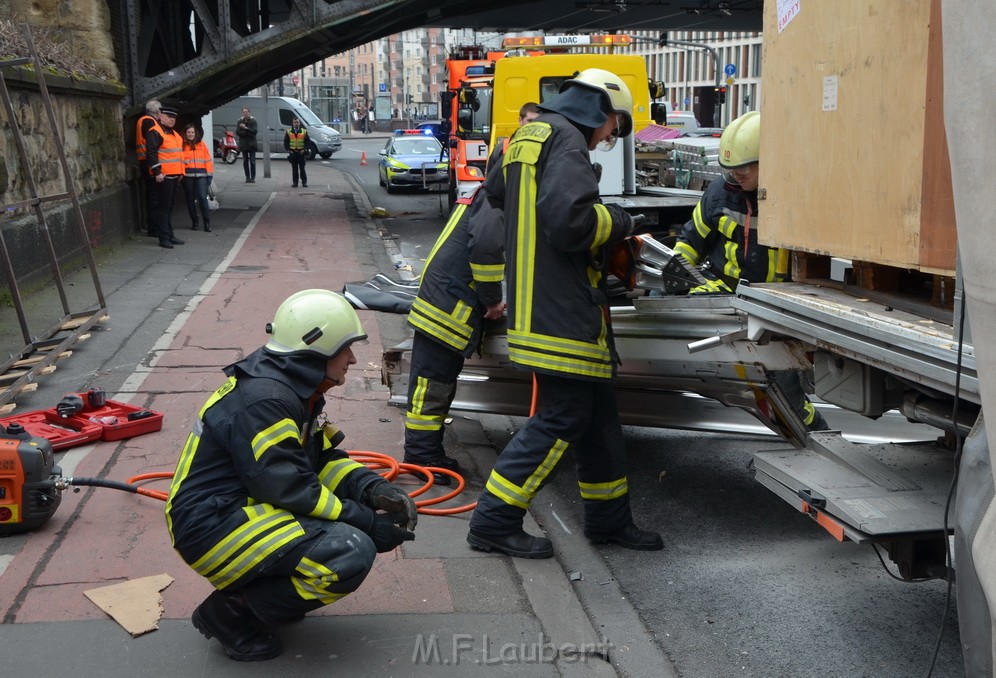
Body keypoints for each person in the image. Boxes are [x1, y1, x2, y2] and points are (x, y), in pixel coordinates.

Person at [466, 70, 662, 559]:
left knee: (598, 421)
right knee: (563, 417)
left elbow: (495, 192)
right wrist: (621, 219)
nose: (610, 137)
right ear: (600, 110)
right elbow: (570, 222)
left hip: (538, 306)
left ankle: (609, 522)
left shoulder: (529, 135)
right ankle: (492, 522)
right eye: (614, 125)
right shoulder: (569, 141)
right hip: (565, 313)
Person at [166, 289, 417, 661]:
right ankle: (229, 614)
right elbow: (290, 486)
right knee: (348, 550)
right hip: (210, 527)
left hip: (235, 512)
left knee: (333, 539)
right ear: (316, 349)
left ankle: (264, 594)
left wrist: (372, 488)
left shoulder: (292, 389)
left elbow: (318, 462)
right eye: (345, 349)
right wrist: (367, 521)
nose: (352, 358)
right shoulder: (268, 400)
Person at [401, 102, 542, 486]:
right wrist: (494, 299)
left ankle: (425, 452)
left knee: (436, 383)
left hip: (443, 300)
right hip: (447, 306)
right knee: (432, 385)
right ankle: (420, 457)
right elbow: (485, 252)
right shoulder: (498, 199)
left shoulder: (489, 192)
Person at [671, 110, 828, 431]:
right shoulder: (720, 193)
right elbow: (691, 239)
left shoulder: (794, 197)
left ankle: (814, 433)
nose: (736, 176)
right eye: (730, 169)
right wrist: (675, 274)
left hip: (775, 310)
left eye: (744, 168)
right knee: (748, 382)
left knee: (784, 390)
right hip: (724, 299)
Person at [144, 106, 186, 249]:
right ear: (160, 116)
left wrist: (181, 173)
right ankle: (163, 238)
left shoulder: (174, 134)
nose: (172, 119)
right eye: (169, 117)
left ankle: (169, 235)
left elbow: (178, 155)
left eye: (174, 117)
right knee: (163, 208)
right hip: (164, 176)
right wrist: (158, 173)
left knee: (169, 207)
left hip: (174, 176)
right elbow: (151, 153)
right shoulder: (155, 132)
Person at [134, 99, 161, 237]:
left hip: (143, 159)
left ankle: (153, 226)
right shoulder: (150, 122)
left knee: (151, 195)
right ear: (157, 112)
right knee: (154, 196)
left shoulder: (142, 120)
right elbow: (152, 144)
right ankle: (154, 227)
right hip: (149, 161)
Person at [181, 123, 214, 232]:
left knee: (202, 198)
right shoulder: (182, 146)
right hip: (188, 176)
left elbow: (208, 161)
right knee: (190, 199)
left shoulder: (202, 145)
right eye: (188, 132)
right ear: (185, 134)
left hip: (201, 175)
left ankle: (207, 223)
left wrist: (209, 176)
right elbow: (180, 162)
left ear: (196, 133)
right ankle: (195, 222)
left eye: (192, 132)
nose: (191, 134)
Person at [283, 116, 311, 187]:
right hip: (293, 153)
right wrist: (289, 149)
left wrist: (304, 149)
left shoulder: (304, 131)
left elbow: (308, 142)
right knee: (294, 169)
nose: (296, 124)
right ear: (292, 123)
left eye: (297, 122)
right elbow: (286, 142)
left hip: (301, 153)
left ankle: (304, 182)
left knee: (302, 169)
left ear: (299, 123)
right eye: (294, 122)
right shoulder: (289, 131)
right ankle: (295, 183)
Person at [236, 106, 258, 183]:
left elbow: (254, 132)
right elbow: (238, 132)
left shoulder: (253, 121)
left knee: (252, 161)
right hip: (244, 144)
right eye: (244, 112)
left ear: (249, 112)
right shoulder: (240, 121)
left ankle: (253, 177)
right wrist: (247, 132)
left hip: (252, 144)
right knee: (245, 161)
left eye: (246, 112)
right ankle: (247, 177)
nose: (245, 113)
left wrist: (245, 128)